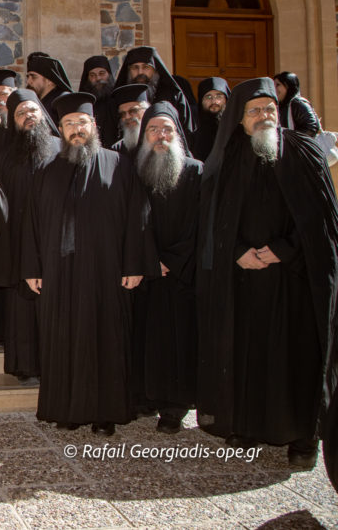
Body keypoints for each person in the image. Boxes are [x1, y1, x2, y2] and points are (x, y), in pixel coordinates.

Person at [197, 77, 338, 469]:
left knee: (298, 357)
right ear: (240, 119)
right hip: (243, 279)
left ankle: (303, 437)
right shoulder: (227, 158)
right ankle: (247, 426)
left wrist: (283, 249)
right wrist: (236, 252)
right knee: (247, 353)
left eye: (269, 109)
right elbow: (212, 220)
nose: (264, 116)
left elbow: (322, 220)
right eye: (254, 111)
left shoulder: (304, 151)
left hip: (295, 280)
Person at [22, 92, 149, 435]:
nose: (76, 130)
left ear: (94, 125)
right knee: (61, 338)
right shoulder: (46, 170)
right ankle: (66, 409)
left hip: (107, 271)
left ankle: (105, 413)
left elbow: (137, 218)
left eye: (82, 123)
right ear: (60, 130)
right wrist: (33, 268)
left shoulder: (119, 165)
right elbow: (31, 222)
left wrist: (133, 265)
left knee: (106, 339)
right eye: (68, 124)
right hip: (59, 272)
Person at [133, 103, 202, 434]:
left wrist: (170, 261)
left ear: (177, 134)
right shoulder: (133, 170)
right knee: (143, 336)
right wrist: (147, 260)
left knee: (178, 340)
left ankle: (174, 408)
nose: (160, 136)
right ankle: (145, 396)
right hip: (143, 272)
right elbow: (130, 221)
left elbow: (201, 225)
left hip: (181, 275)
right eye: (153, 130)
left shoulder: (196, 172)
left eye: (166, 130)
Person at [0, 90, 59, 382]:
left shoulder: (60, 148)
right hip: (17, 240)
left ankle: (54, 364)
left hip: (53, 239)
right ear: (13, 121)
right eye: (20, 113)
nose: (28, 117)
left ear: (41, 113)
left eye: (32, 110)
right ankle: (25, 365)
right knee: (22, 306)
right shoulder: (5, 155)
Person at [114, 46, 194, 136]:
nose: (140, 72)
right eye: (135, 68)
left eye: (146, 67)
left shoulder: (173, 95)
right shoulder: (119, 96)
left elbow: (186, 130)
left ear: (155, 70)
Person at [79, 55, 118, 146]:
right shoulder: (83, 104)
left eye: (102, 73)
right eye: (92, 75)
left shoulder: (118, 101)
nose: (98, 78)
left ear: (109, 74)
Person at [25, 53, 73, 123]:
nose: (28, 81)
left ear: (50, 81)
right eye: (28, 77)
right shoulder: (35, 101)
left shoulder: (63, 101)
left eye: (33, 77)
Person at [191, 77, 229, 162]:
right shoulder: (193, 127)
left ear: (226, 99)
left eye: (218, 96)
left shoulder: (235, 125)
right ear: (201, 101)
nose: (214, 101)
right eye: (208, 97)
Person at [274, 71, 321, 137]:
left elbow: (311, 128)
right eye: (273, 85)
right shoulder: (280, 106)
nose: (274, 89)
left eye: (278, 85)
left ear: (288, 86)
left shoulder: (298, 103)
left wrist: (292, 139)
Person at [110, 83, 151, 156]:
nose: (127, 117)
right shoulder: (117, 150)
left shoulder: (157, 143)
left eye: (133, 111)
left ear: (146, 111)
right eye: (123, 114)